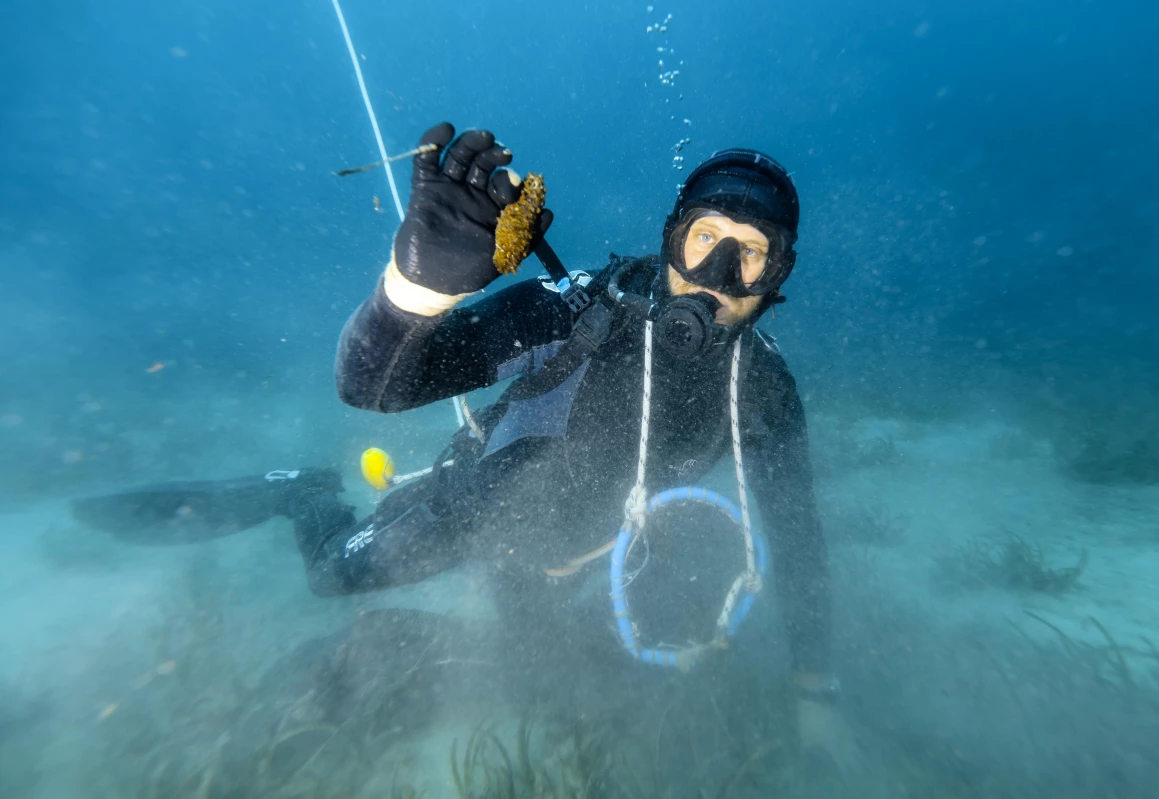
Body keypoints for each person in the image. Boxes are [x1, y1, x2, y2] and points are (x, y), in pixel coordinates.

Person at [71, 121, 860, 770]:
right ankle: (302, 488)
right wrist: (418, 288)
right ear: (669, 240)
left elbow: (796, 534)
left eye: (750, 254)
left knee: (549, 678)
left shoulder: (763, 387)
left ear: (778, 277)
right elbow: (373, 386)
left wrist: (815, 693)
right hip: (484, 502)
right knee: (332, 572)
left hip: (583, 547)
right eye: (704, 239)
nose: (717, 274)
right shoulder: (582, 307)